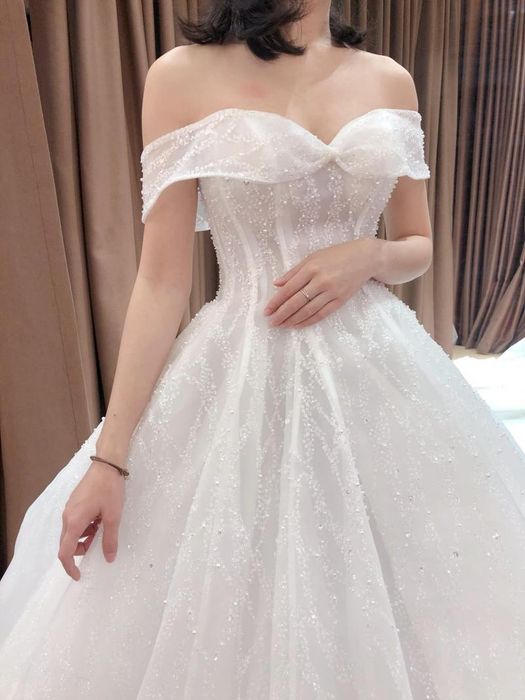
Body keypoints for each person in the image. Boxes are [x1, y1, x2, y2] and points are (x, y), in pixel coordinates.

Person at [2, 0, 525, 697]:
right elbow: (161, 281)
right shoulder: (182, 75)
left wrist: (368, 255)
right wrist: (111, 458)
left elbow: (417, 245)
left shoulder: (388, 79)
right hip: (241, 373)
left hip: (382, 373)